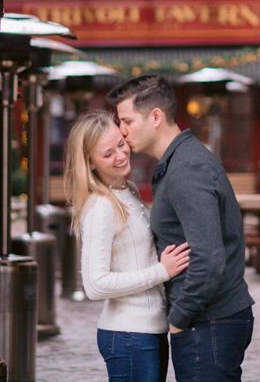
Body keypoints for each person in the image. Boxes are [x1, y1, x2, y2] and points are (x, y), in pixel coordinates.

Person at [107, 75, 255, 382]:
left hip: (208, 321)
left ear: (156, 117)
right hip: (208, 320)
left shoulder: (187, 169)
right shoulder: (179, 162)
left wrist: (179, 318)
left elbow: (209, 258)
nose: (121, 130)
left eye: (127, 120)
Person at [64, 109, 191, 382]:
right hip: (129, 336)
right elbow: (95, 284)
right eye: (107, 154)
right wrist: (162, 271)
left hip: (147, 332)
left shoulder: (127, 190)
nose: (120, 156)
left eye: (120, 145)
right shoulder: (102, 206)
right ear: (91, 162)